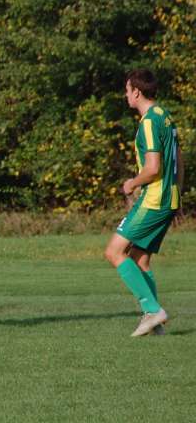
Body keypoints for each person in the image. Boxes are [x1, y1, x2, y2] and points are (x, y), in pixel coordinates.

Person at [104, 69, 182, 336]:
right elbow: (178, 160)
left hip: (154, 198)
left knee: (114, 252)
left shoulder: (149, 121)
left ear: (136, 91)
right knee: (139, 259)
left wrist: (132, 183)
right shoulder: (166, 116)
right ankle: (156, 322)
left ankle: (152, 310)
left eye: (127, 90)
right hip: (168, 197)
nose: (126, 95)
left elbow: (152, 168)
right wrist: (178, 193)